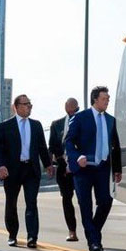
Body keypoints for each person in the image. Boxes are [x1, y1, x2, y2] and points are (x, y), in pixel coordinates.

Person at [64, 85, 122, 251]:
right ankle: (94, 241)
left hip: (103, 167)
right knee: (86, 206)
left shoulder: (110, 120)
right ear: (95, 99)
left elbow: (115, 145)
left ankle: (93, 231)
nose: (107, 101)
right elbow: (69, 141)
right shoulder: (81, 117)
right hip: (83, 169)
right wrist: (77, 157)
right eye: (105, 98)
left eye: (108, 98)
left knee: (106, 201)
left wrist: (117, 169)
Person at [0, 94, 54, 248]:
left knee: (31, 203)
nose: (29, 107)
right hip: (12, 170)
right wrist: (0, 166)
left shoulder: (36, 125)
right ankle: (12, 234)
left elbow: (41, 147)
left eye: (30, 104)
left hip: (31, 169)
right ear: (16, 107)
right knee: (11, 203)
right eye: (26, 104)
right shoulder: (5, 126)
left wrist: (48, 164)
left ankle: (32, 237)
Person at [48, 97, 80, 242]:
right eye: (70, 107)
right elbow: (52, 146)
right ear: (66, 107)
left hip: (80, 167)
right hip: (63, 168)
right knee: (67, 199)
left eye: (75, 108)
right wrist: (55, 163)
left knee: (83, 200)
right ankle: (72, 231)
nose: (73, 110)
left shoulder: (83, 121)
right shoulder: (57, 124)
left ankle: (92, 231)